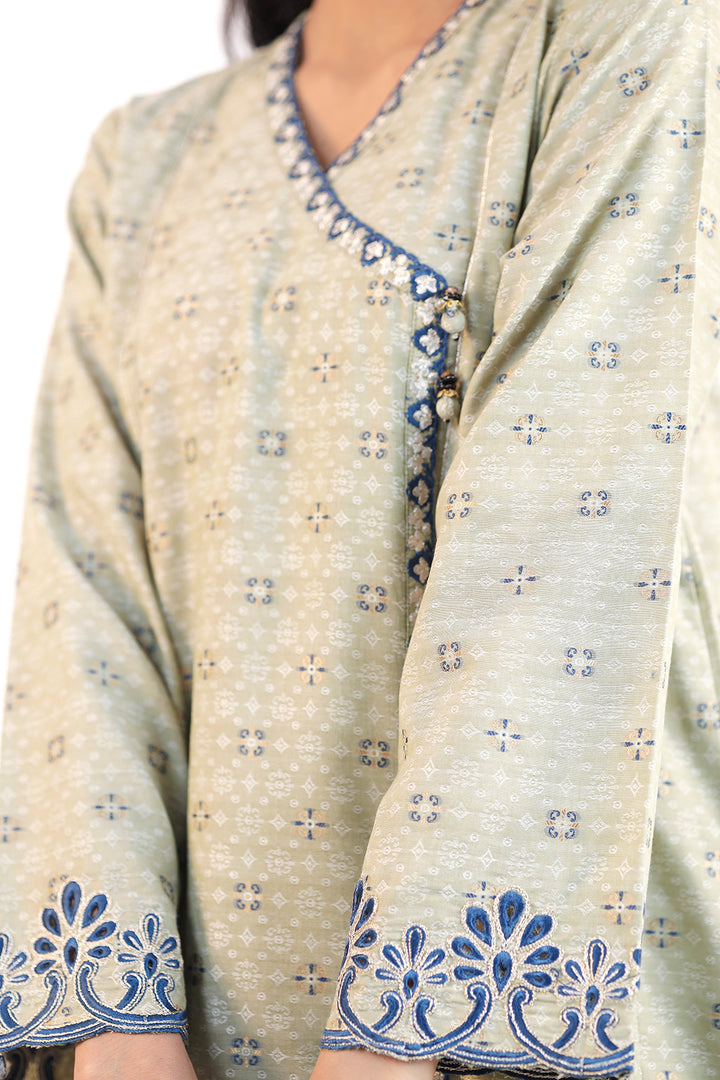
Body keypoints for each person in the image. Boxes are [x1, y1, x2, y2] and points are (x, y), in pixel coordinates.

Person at [1, 0, 718, 1077]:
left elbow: (560, 545)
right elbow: (80, 598)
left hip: (523, 994)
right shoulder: (140, 159)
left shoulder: (624, 41)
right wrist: (117, 1036)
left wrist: (389, 1049)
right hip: (196, 1016)